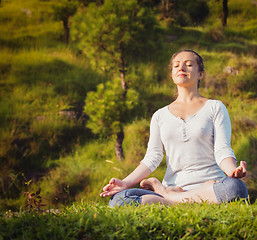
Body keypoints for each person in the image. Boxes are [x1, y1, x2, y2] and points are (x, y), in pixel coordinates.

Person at [100, 50, 248, 206]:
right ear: (172, 75)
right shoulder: (160, 115)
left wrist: (231, 170)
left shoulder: (215, 107)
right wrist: (125, 183)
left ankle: (167, 197)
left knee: (235, 188)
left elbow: (222, 149)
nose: (182, 68)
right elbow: (153, 157)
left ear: (200, 75)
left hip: (211, 186)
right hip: (175, 186)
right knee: (118, 200)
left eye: (189, 64)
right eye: (176, 65)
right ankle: (181, 198)